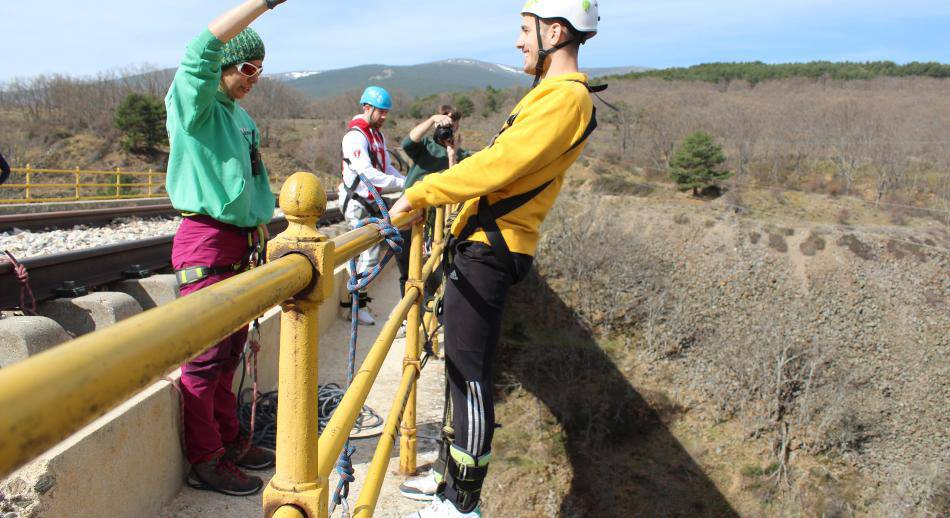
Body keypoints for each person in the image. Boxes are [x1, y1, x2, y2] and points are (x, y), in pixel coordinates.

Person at [391, 1, 603, 516]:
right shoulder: (550, 95)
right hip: (483, 244)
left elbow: (500, 165)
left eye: (524, 31)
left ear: (554, 32)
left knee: (470, 376)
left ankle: (462, 503)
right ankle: (447, 480)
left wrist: (420, 195)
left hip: (493, 247)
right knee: (461, 372)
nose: (518, 42)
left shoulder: (565, 98)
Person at [165, 0, 287, 497]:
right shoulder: (195, 106)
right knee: (204, 357)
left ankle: (230, 438)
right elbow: (200, 50)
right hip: (207, 239)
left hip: (243, 243)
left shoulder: (242, 117)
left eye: (260, 68)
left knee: (230, 351)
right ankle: (206, 458)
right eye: (247, 67)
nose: (254, 77)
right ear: (223, 66)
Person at [338, 85, 407, 326]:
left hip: (370, 201)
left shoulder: (377, 135)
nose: (385, 116)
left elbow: (385, 168)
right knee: (364, 256)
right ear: (367, 108)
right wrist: (400, 183)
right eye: (381, 111)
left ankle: (357, 304)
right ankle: (355, 307)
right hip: (358, 202)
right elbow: (367, 172)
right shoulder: (356, 136)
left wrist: (406, 181)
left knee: (368, 253)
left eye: (387, 112)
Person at [395, 105, 472, 299]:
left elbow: (456, 185)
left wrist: (452, 157)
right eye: (444, 126)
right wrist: (431, 120)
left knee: (431, 264)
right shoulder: (425, 146)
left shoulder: (460, 155)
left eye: (452, 127)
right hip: (410, 210)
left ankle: (425, 307)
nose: (448, 131)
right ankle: (408, 314)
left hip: (436, 219)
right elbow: (407, 142)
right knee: (405, 262)